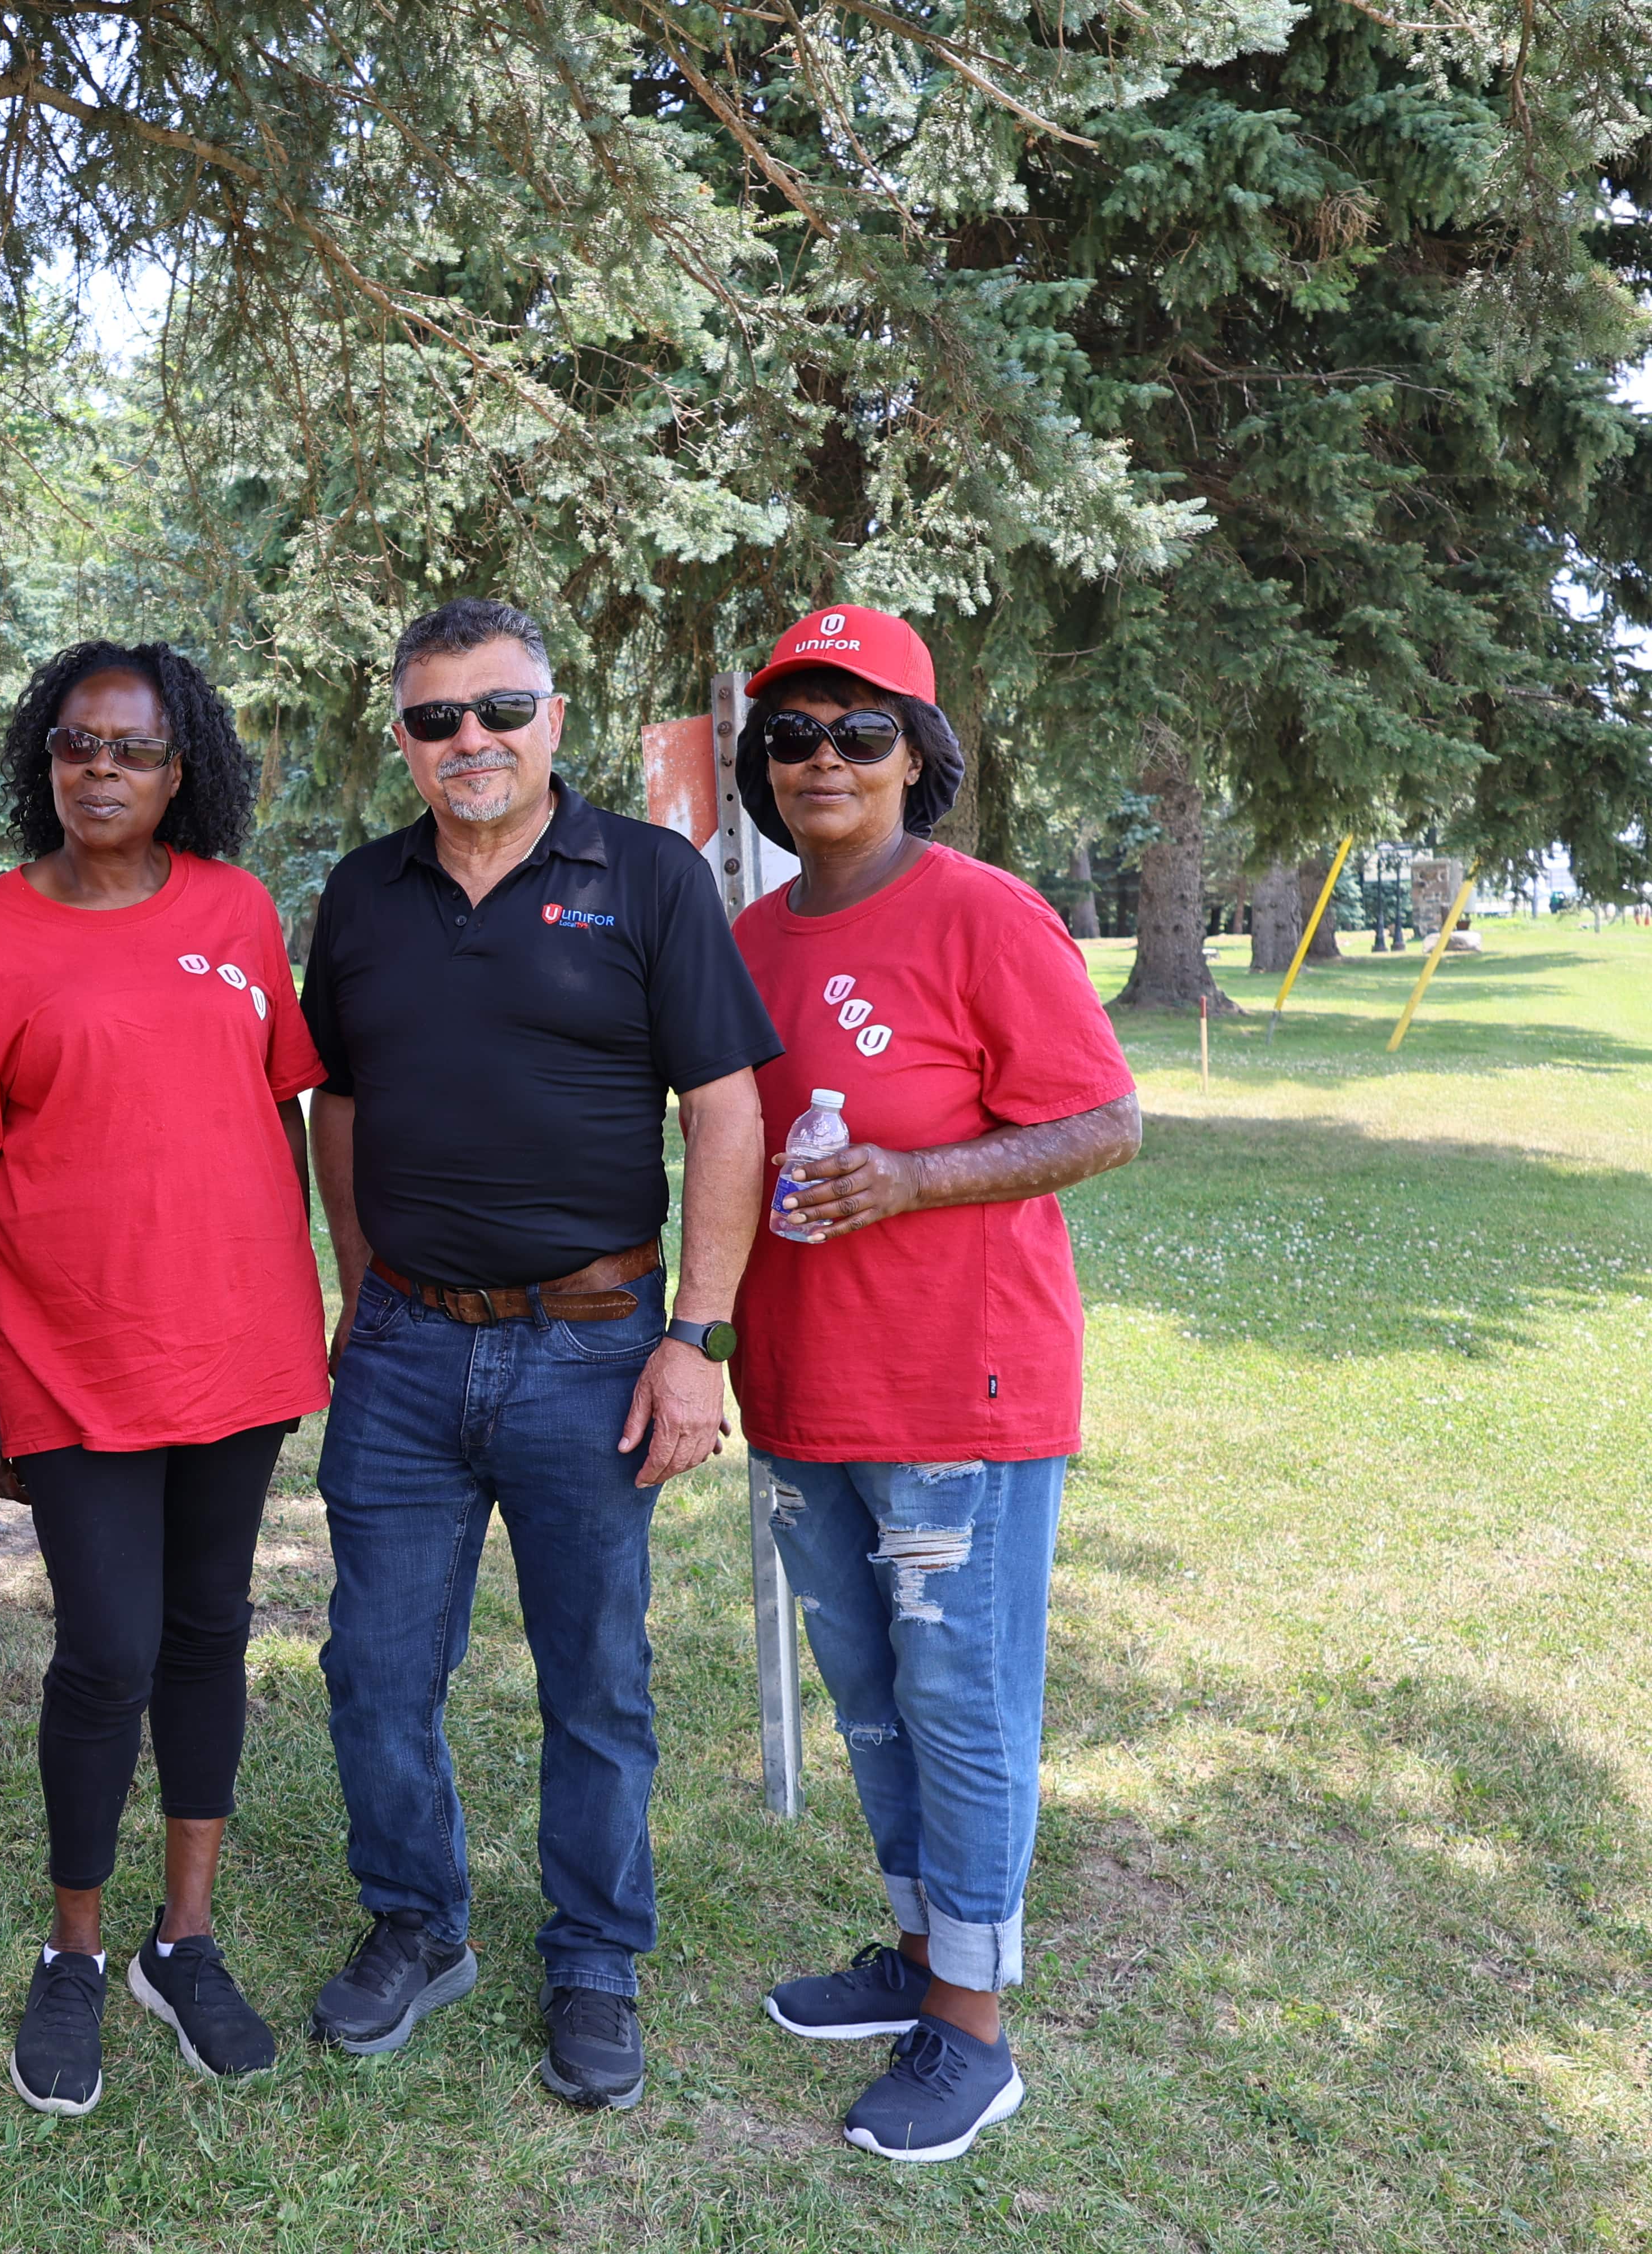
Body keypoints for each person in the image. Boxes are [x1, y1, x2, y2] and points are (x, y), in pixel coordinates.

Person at [298, 597, 780, 2110]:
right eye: (437, 719)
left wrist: (693, 1340)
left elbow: (726, 1111)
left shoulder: (645, 877)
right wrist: (367, 1289)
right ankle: (418, 1923)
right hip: (404, 1354)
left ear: (554, 719)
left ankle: (593, 1957)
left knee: (597, 1679)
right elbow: (342, 1107)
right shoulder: (363, 896)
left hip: (595, 1346)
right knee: (376, 1671)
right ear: (404, 739)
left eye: (501, 710)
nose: (472, 743)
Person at [722, 604, 1140, 2163]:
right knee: (875, 1701)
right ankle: (916, 1956)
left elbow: (1104, 1125)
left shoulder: (983, 916)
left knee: (962, 1698)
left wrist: (915, 1181)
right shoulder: (750, 944)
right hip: (804, 1385)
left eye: (859, 732)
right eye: (792, 736)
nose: (821, 759)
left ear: (919, 758)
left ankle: (973, 2027)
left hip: (961, 1392)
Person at [0, 641, 329, 2116]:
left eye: (135, 751)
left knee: (209, 1631)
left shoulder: (233, 910)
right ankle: (78, 1948)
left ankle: (187, 1938)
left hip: (237, 1343)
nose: (101, 771)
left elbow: (274, 1112)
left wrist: (292, 1291)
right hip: (72, 1352)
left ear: (180, 773)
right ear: (46, 760)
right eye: (77, 747)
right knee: (107, 1649)